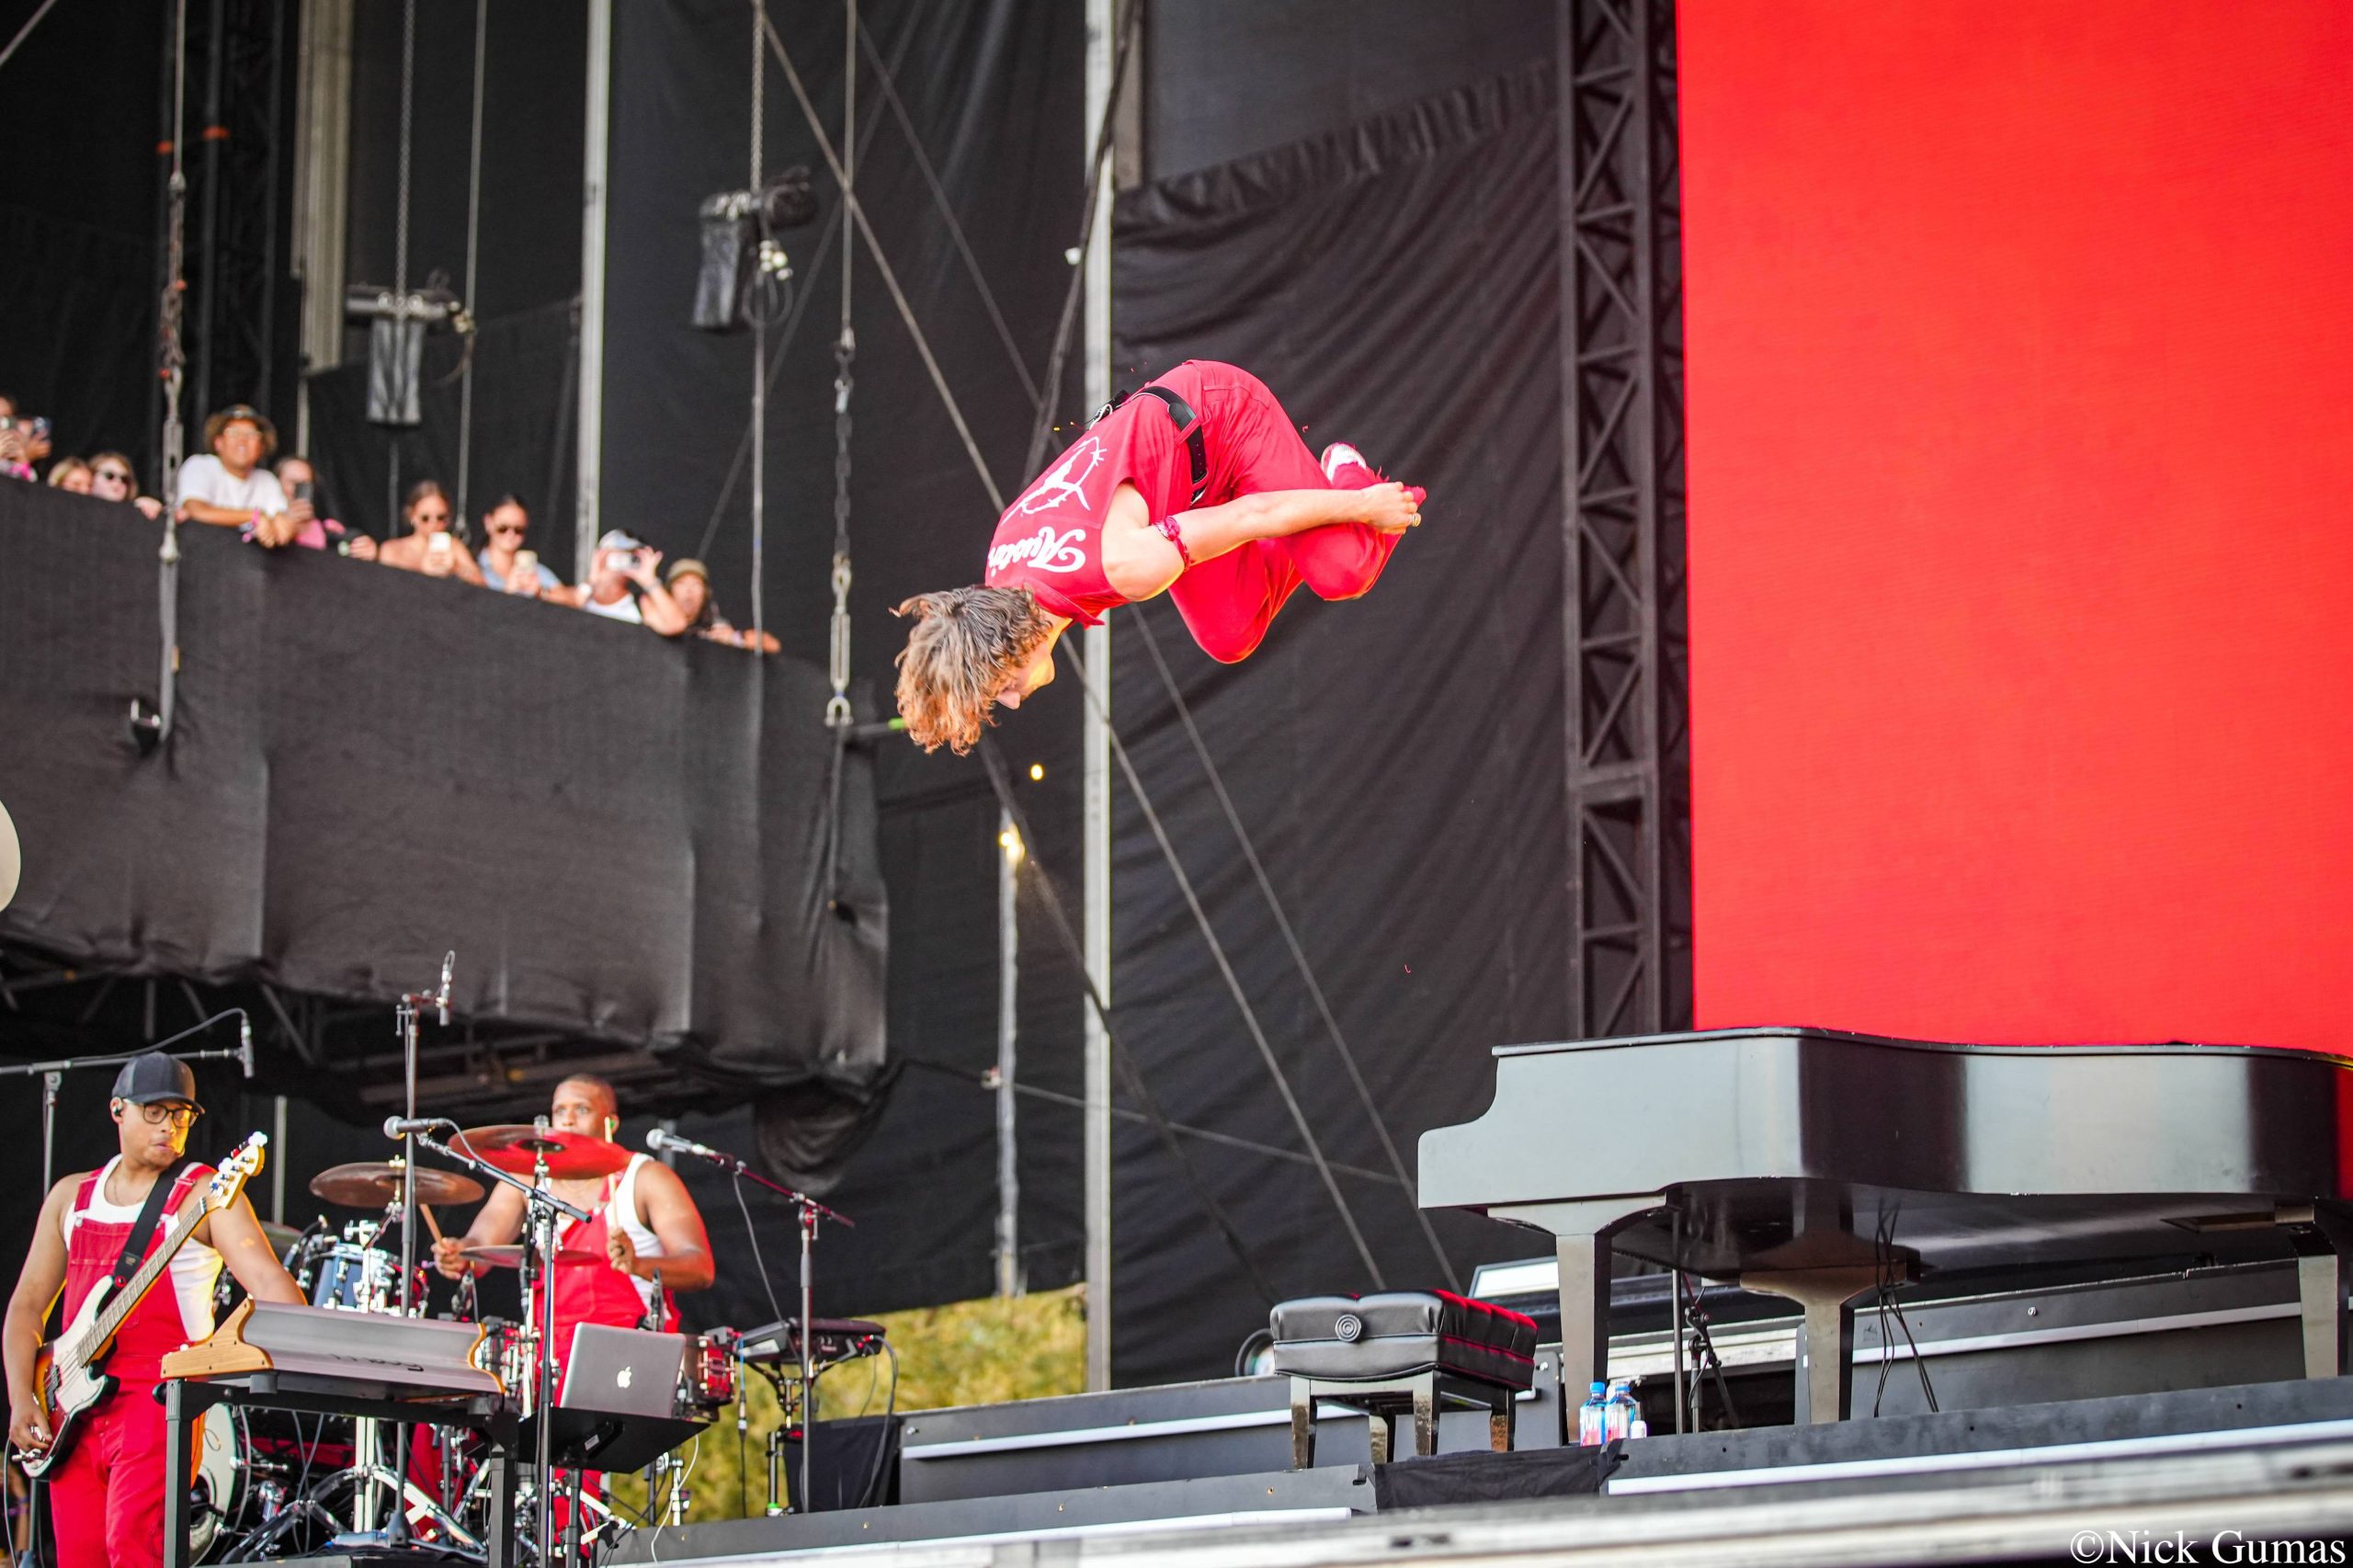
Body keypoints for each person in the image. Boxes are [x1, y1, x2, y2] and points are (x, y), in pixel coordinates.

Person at [893, 360, 1424, 753]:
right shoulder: (999, 573)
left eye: (1002, 687)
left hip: (1225, 417)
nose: (1011, 701)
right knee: (1230, 634)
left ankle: (1341, 475)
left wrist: (1361, 503)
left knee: (1344, 569)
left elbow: (1250, 518)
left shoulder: (1123, 564)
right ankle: (1311, 521)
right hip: (1184, 491)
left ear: (1014, 649)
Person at [4, 1053, 304, 1568]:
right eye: (155, 1112)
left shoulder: (207, 1193)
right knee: (80, 1558)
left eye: (182, 1115)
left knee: (135, 1552)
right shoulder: (70, 1197)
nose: (170, 1127)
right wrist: (20, 1398)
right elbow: (27, 1306)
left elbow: (277, 1293)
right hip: (70, 1412)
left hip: (159, 1404)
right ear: (117, 1110)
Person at [433, 1074, 714, 1359]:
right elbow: (481, 1245)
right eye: (559, 1111)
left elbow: (700, 1269)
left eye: (582, 1110)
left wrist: (638, 1264)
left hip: (634, 1350)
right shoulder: (528, 1178)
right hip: (549, 1354)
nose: (567, 1120)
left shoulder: (644, 1177)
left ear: (610, 1123)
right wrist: (459, 1253)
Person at [174, 403, 313, 549]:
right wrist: (255, 516)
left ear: (261, 447)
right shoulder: (200, 466)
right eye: (233, 432)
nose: (242, 440)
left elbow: (281, 523)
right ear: (218, 443)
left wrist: (282, 528)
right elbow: (196, 510)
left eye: (251, 434)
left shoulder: (266, 480)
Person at [374, 480, 485, 583]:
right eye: (425, 518)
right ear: (412, 516)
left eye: (441, 518)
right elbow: (386, 585)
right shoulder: (392, 549)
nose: (434, 524)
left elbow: (481, 584)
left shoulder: (454, 546)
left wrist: (455, 568)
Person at [578, 530, 689, 634]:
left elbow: (676, 624)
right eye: (613, 554)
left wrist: (650, 581)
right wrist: (591, 581)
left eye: (628, 556)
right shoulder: (580, 599)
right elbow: (564, 605)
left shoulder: (640, 605)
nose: (619, 561)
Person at [663, 559, 779, 652]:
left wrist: (734, 639)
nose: (689, 590)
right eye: (681, 584)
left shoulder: (714, 627)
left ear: (705, 593)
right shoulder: (657, 621)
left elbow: (773, 645)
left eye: (696, 584)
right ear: (669, 591)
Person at [271, 455, 372, 556]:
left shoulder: (330, 530)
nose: (299, 490)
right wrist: (286, 521)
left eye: (306, 485)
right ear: (275, 484)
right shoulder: (265, 526)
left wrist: (367, 550)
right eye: (293, 482)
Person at [474, 494, 563, 597]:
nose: (510, 535)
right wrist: (506, 594)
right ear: (488, 523)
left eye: (518, 530)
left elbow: (571, 600)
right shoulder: (472, 567)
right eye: (503, 528)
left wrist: (540, 592)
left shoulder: (533, 571)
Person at [86, 453, 165, 520]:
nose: (117, 483)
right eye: (109, 476)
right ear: (91, 476)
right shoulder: (77, 510)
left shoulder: (137, 511)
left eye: (124, 479)